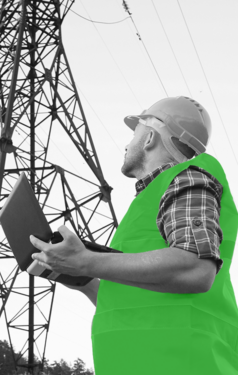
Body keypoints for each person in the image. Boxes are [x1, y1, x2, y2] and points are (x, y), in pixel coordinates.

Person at [30, 96, 238, 374]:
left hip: (182, 364)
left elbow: (197, 269)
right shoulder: (147, 204)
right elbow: (134, 302)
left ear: (150, 137)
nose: (127, 144)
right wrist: (83, 281)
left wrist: (86, 262)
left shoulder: (188, 178)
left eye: (135, 133)